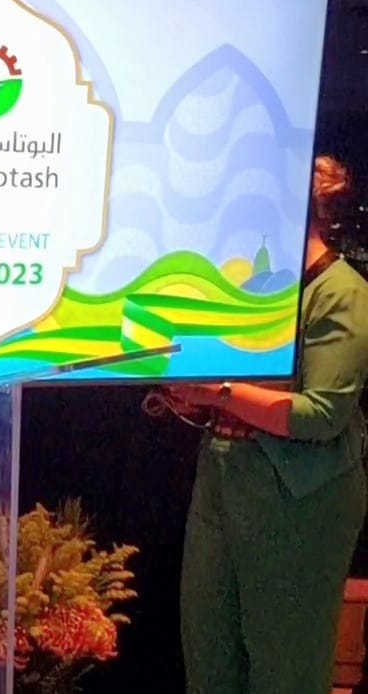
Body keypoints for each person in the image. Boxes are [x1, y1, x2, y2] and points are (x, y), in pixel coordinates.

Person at [168, 154, 368, 694]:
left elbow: (322, 414)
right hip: (223, 480)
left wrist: (220, 392)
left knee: (287, 671)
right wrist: (193, 394)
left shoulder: (342, 292)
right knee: (209, 661)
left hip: (301, 499)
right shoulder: (254, 288)